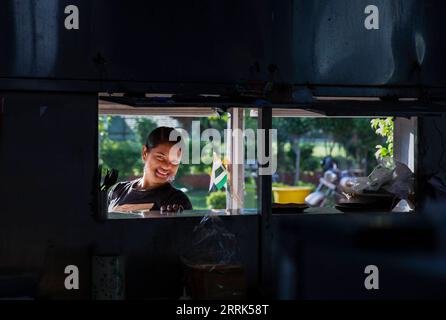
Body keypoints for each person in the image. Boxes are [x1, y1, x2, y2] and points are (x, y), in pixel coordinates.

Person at [108, 126, 192, 214]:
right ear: (145, 153)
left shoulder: (177, 202)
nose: (167, 166)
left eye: (175, 161)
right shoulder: (118, 190)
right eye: (160, 157)